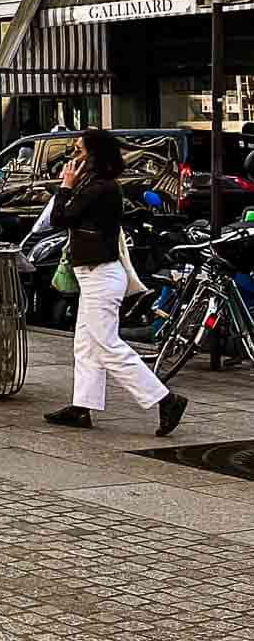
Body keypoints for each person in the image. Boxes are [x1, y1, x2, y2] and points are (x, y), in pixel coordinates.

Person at [44, 129, 188, 436]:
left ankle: (165, 398)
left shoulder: (100, 188)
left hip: (101, 276)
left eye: (79, 150)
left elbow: (60, 219)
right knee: (85, 343)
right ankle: (82, 406)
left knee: (107, 345)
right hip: (93, 274)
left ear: (95, 155)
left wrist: (65, 188)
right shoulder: (95, 185)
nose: (74, 156)